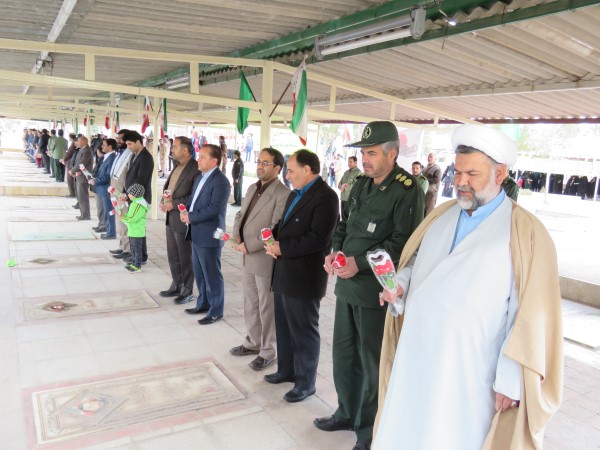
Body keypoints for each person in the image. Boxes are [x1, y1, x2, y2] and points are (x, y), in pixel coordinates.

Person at [374, 124, 563, 450]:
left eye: (472, 174)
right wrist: (400, 284)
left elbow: (528, 314)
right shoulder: (442, 215)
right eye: (458, 171)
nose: (460, 181)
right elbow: (418, 263)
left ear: (499, 174)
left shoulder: (524, 231)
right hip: (416, 351)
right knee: (406, 429)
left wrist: (510, 379)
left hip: (469, 368)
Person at [315, 121, 425, 450]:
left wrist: (358, 263)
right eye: (363, 152)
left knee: (372, 363)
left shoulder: (407, 189)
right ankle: (346, 413)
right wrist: (335, 252)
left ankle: (368, 432)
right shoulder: (361, 184)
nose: (365, 159)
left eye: (372, 153)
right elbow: (345, 224)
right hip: (347, 287)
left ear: (392, 154)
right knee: (344, 355)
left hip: (375, 291)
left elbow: (403, 243)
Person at [263, 149, 339, 403]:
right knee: (284, 326)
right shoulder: (295, 193)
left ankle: (306, 383)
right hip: (284, 272)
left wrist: (283, 248)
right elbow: (283, 224)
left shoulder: (326, 197)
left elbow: (318, 239)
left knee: (304, 330)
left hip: (304, 276)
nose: (287, 175)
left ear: (308, 169)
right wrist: (272, 238)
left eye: (291, 170)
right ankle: (286, 370)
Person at [230, 147, 290, 371]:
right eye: (258, 161)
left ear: (277, 168)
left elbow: (275, 227)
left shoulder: (283, 193)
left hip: (264, 258)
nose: (260, 166)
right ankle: (253, 342)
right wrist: (236, 234)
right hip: (247, 256)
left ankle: (268, 351)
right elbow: (240, 214)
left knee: (267, 306)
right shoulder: (252, 188)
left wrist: (250, 244)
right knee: (250, 302)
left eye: (266, 163)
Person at [180, 144, 230, 325]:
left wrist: (191, 217)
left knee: (212, 274)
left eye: (202, 157)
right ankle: (203, 303)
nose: (198, 160)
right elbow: (193, 200)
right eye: (199, 156)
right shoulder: (200, 177)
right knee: (200, 273)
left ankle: (216, 311)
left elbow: (214, 209)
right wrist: (185, 210)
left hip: (210, 234)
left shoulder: (221, 181)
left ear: (214, 161)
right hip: (196, 232)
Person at [159, 136, 200, 305]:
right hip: (171, 217)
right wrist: (163, 201)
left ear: (185, 150)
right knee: (173, 255)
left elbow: (193, 196)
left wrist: (173, 204)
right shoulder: (177, 165)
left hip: (183, 219)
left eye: (175, 147)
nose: (172, 149)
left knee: (185, 257)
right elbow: (170, 189)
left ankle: (187, 289)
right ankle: (176, 284)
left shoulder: (195, 168)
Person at [121, 131, 154, 265]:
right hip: (133, 196)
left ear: (138, 142)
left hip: (140, 198)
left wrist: (129, 195)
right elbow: (130, 177)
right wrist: (126, 193)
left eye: (130, 144)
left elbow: (140, 179)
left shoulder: (146, 157)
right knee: (135, 227)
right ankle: (136, 254)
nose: (128, 147)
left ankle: (140, 256)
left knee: (137, 228)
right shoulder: (135, 155)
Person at [108, 129, 133, 261]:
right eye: (117, 138)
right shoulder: (120, 153)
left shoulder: (130, 154)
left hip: (122, 194)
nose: (118, 141)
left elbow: (129, 176)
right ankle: (122, 246)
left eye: (121, 139)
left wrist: (125, 193)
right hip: (116, 192)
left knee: (125, 222)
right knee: (120, 221)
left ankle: (128, 249)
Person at [90, 138, 118, 240]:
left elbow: (108, 176)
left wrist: (96, 181)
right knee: (105, 211)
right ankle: (108, 230)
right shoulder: (107, 157)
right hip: (102, 188)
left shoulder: (112, 158)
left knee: (109, 211)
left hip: (106, 188)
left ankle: (111, 232)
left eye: (104, 145)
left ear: (109, 147)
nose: (102, 147)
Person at [119, 184, 149, 273]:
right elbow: (130, 215)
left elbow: (133, 218)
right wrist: (124, 216)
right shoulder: (135, 203)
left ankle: (137, 266)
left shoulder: (139, 205)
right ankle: (134, 263)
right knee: (133, 249)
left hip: (137, 231)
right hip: (132, 230)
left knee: (137, 249)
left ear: (135, 194)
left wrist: (123, 219)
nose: (128, 195)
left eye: (130, 193)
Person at [70, 135, 93, 221]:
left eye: (79, 141)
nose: (77, 143)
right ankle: (83, 214)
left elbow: (81, 163)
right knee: (80, 196)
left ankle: (85, 215)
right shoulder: (82, 150)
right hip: (79, 175)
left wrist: (72, 170)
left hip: (83, 177)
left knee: (83, 197)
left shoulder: (87, 151)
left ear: (84, 141)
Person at [62, 133, 78, 197]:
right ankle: (74, 192)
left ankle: (72, 193)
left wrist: (64, 159)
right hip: (73, 162)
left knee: (70, 179)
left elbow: (69, 153)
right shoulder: (75, 144)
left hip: (70, 162)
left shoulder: (73, 144)